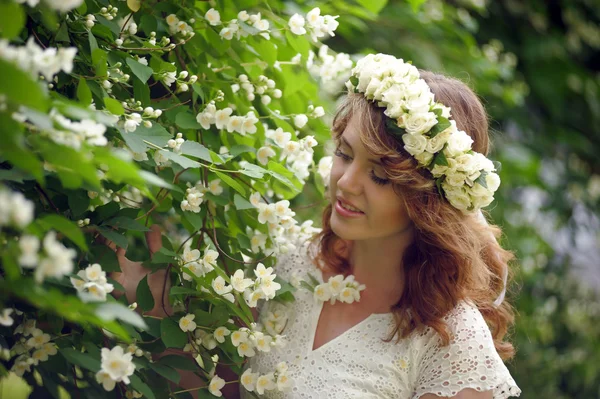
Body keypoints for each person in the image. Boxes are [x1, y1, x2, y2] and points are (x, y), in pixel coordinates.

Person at [110, 54, 521, 398]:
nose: (345, 181)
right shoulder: (289, 262)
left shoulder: (452, 343)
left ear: (428, 202)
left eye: (379, 176)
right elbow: (222, 389)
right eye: (344, 153)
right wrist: (145, 298)